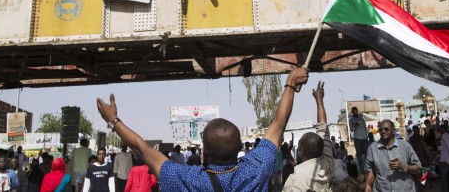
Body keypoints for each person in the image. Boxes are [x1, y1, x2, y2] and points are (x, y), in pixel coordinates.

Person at [95, 67, 308, 190]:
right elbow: (279, 125)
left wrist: (114, 120)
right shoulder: (257, 167)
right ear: (240, 146)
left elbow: (141, 148)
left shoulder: (186, 178)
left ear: (204, 151)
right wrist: (290, 84)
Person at [282, 81, 334, 191]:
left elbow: (323, 128)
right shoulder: (327, 163)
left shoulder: (295, 180)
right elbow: (323, 127)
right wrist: (319, 100)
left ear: (301, 150)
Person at [365, 120, 421, 191]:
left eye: (386, 129)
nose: (383, 131)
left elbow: (418, 169)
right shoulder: (372, 148)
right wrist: (368, 185)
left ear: (393, 130)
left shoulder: (405, 146)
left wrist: (403, 166)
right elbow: (371, 170)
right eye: (381, 130)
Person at [349, 107, 368, 176]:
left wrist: (367, 135)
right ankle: (362, 171)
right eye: (354, 111)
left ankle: (368, 169)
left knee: (368, 154)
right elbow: (351, 130)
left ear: (357, 111)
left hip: (365, 138)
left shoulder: (361, 118)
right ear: (352, 112)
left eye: (356, 111)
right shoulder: (351, 120)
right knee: (359, 155)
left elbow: (364, 127)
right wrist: (355, 125)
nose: (355, 112)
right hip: (357, 138)